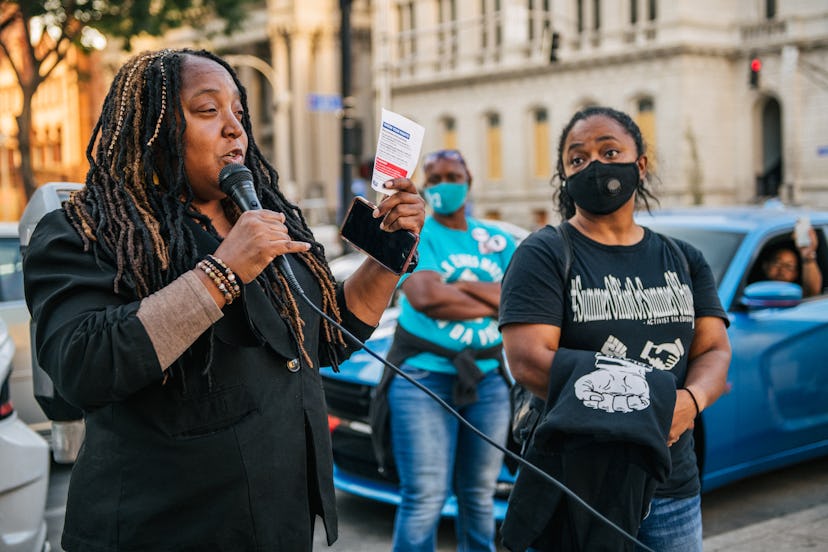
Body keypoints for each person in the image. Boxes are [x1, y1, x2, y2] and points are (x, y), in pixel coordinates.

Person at [22, 48, 425, 551]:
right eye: (208, 111)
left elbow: (328, 337)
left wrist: (388, 258)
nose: (234, 128)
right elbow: (82, 365)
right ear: (152, 128)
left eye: (239, 112)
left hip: (279, 524)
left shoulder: (261, 220)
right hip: (162, 530)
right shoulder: (88, 231)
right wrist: (224, 272)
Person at [498, 106, 732, 551]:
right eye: (577, 159)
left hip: (670, 483)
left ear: (639, 166)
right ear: (564, 176)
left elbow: (714, 350)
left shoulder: (683, 258)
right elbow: (528, 360)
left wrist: (690, 401)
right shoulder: (545, 253)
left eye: (610, 151)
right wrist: (650, 405)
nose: (594, 166)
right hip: (577, 486)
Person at [382, 149, 516, 551]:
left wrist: (455, 287)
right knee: (424, 498)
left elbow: (518, 299)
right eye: (434, 179)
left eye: (451, 176)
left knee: (479, 495)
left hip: (488, 381)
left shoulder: (497, 240)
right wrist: (492, 296)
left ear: (468, 179)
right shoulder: (418, 234)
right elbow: (424, 296)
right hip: (421, 380)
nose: (443, 186)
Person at [759, 228, 822, 297]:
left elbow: (812, 292)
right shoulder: (750, 291)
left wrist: (808, 255)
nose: (782, 271)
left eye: (789, 267)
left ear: (795, 274)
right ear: (765, 266)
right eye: (777, 264)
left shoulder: (795, 296)